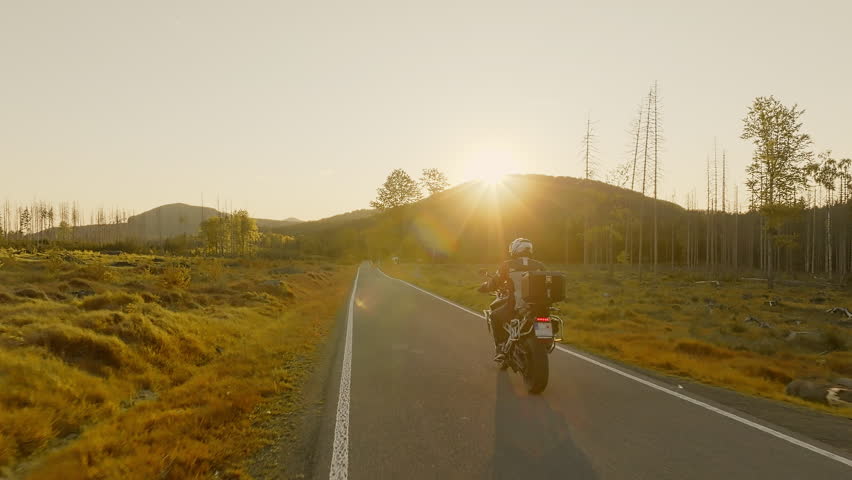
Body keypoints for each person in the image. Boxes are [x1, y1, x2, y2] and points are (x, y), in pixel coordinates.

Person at [478, 238, 546, 363]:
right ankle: (543, 339)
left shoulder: (507, 265)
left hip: (516, 305)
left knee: (494, 316)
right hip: (540, 306)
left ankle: (500, 348)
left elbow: (494, 283)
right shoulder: (540, 266)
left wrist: (484, 287)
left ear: (515, 250)